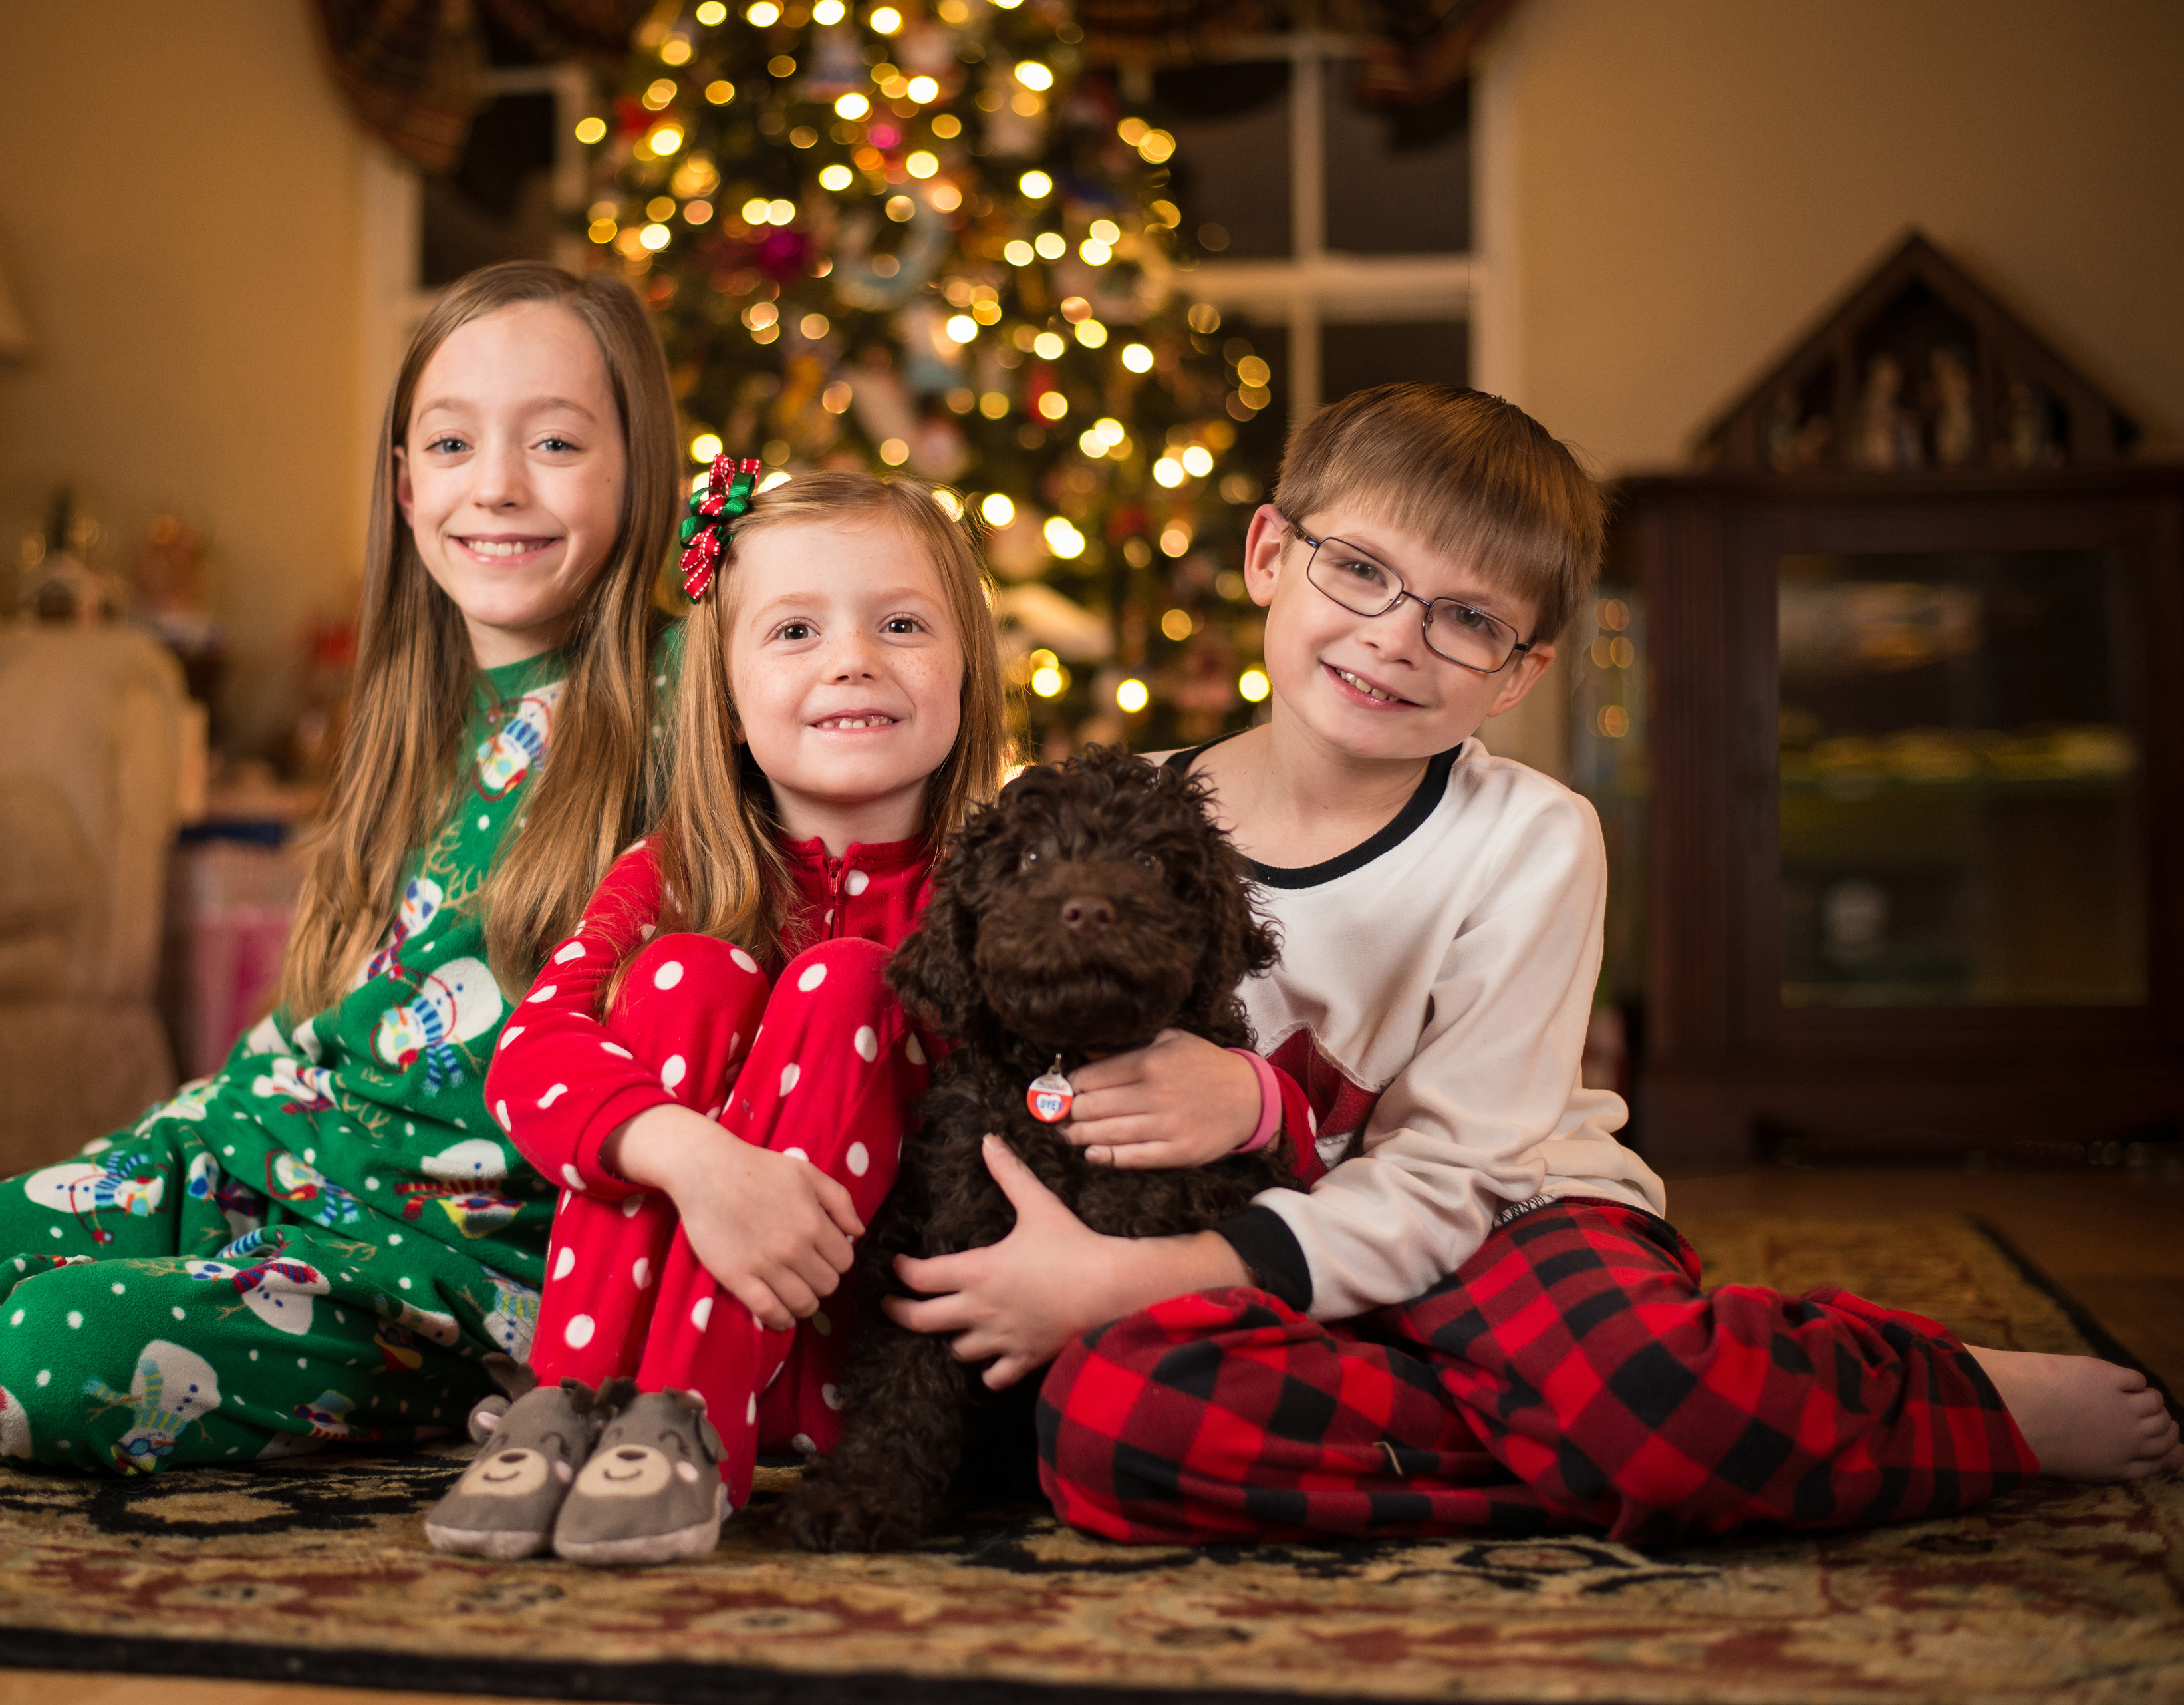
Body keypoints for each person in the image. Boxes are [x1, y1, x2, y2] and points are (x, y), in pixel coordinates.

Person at [884, 383, 2181, 1547]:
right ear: (1271, 553)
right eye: (1360, 571)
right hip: (1244, 1242)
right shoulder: (1118, 811)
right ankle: (1618, 1445)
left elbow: (1454, 1177)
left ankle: (1931, 1397)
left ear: (1519, 675)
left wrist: (1158, 1249)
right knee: (1109, 1429)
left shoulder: (1532, 838)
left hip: (1503, 1219)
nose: (1396, 638)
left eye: (1467, 618)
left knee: (1644, 1394)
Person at [0, 261, 687, 1473]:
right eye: (452, 444)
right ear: (405, 485)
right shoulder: (410, 717)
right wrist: (141, 1182)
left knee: (53, 1356)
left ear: (641, 471)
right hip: (249, 1158)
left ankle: (261, 1345)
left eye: (554, 442)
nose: (495, 485)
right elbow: (321, 1016)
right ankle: (118, 1301)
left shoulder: (693, 696)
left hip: (452, 1261)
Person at [423, 466, 1005, 1565]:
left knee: (845, 982)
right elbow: (530, 1056)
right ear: (727, 704)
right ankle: (579, 1399)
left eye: (901, 624)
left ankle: (692, 1428)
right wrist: (700, 1164)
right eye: (795, 631)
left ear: (968, 671)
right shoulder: (676, 871)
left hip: (870, 1363)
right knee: (685, 974)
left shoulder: (994, 887)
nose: (853, 659)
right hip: (631, 1344)